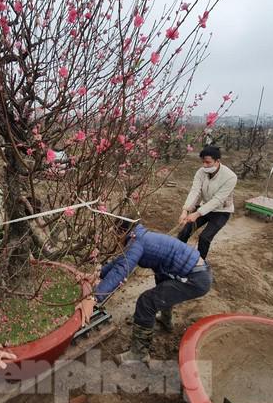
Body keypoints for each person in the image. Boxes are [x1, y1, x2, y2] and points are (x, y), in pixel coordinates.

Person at [76, 222, 212, 363]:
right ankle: (166, 320)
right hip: (196, 273)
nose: (115, 240)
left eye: (114, 234)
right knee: (163, 287)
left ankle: (139, 354)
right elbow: (121, 260)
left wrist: (93, 298)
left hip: (195, 280)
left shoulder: (136, 242)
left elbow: (122, 268)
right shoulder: (140, 236)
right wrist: (97, 275)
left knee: (147, 302)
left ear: (121, 232)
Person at [177, 145, 237, 259]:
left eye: (208, 162)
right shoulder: (201, 172)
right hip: (204, 207)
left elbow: (218, 200)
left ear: (217, 161)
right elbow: (195, 191)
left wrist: (197, 213)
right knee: (185, 230)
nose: (204, 165)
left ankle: (200, 263)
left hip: (221, 211)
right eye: (203, 162)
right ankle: (176, 254)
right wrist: (185, 210)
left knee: (204, 238)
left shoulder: (230, 177)